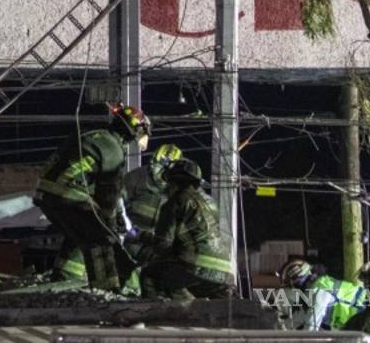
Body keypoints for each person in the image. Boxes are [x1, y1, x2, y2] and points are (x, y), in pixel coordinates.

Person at [33, 103, 148, 292]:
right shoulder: (113, 149)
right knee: (101, 241)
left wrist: (114, 215)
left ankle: (63, 281)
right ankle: (105, 291)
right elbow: (108, 195)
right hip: (68, 196)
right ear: (133, 130)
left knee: (80, 236)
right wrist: (110, 224)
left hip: (46, 194)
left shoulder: (96, 135)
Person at [140, 159, 235, 299]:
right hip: (226, 273)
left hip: (196, 268)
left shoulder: (175, 202)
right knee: (215, 305)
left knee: (149, 275)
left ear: (173, 182)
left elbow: (163, 243)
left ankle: (171, 310)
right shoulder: (209, 204)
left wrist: (144, 245)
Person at [279, 257, 367, 330]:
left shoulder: (319, 293)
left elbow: (311, 327)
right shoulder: (316, 289)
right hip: (361, 320)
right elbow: (302, 317)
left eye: (291, 287)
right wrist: (279, 328)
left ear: (297, 283)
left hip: (365, 315)